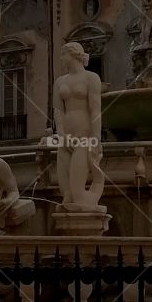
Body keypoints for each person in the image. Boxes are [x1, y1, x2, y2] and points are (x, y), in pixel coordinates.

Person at [53, 41, 105, 212]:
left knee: (76, 192)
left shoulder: (91, 78)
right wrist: (61, 134)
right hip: (66, 136)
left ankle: (92, 196)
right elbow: (58, 110)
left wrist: (96, 137)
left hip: (84, 136)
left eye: (63, 55)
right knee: (66, 193)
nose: (61, 58)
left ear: (73, 55)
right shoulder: (59, 82)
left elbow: (95, 108)